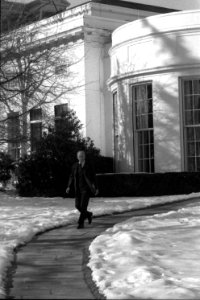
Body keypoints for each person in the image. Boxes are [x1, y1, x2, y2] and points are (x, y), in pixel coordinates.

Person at [66, 150, 99, 229]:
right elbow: (71, 177)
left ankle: (81, 223)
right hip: (78, 189)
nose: (81, 157)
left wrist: (96, 187)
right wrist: (69, 186)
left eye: (82, 156)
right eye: (79, 156)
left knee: (83, 206)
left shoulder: (89, 165)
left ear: (85, 157)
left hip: (86, 189)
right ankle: (88, 214)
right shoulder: (75, 166)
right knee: (77, 206)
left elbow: (94, 177)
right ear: (77, 157)